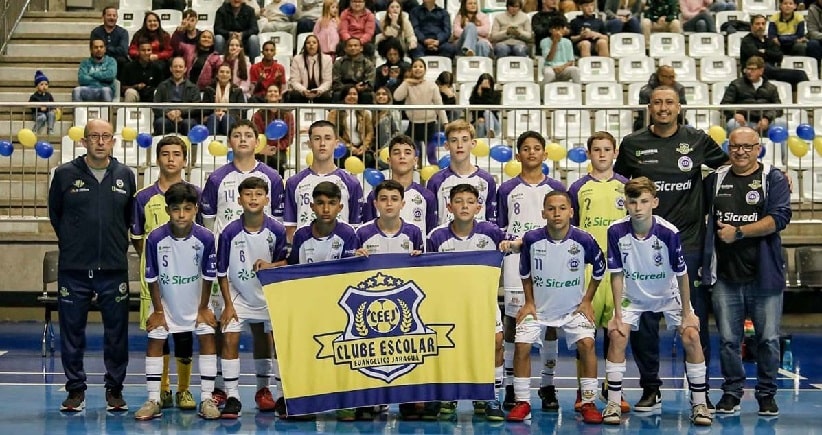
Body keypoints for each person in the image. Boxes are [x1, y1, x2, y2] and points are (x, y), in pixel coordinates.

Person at [614, 86, 728, 412]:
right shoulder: (633, 143)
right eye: (658, 103)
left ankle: (700, 395)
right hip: (642, 247)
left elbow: (730, 166)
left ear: (679, 107)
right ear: (649, 107)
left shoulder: (697, 140)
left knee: (692, 320)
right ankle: (651, 389)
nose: (663, 108)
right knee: (645, 322)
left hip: (687, 244)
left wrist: (772, 176)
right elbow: (616, 181)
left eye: (669, 103)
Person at [601, 177, 712, 427]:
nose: (638, 207)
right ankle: (613, 402)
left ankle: (700, 402)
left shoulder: (668, 232)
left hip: (668, 293)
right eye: (633, 202)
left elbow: (682, 273)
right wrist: (617, 314)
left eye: (643, 201)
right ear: (625, 204)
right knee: (618, 335)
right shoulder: (616, 231)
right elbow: (616, 274)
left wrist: (687, 312)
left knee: (691, 335)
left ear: (654, 202)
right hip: (633, 295)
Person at [48, 118, 137, 412]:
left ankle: (115, 389)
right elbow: (55, 215)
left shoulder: (125, 174)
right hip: (74, 270)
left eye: (106, 136)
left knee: (117, 333)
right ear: (83, 141)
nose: (100, 141)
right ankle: (75, 390)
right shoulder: (63, 175)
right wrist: (75, 244)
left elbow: (127, 218)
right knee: (72, 332)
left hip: (113, 269)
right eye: (94, 137)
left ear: (113, 141)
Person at [702, 127, 791, 417]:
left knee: (767, 339)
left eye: (747, 147)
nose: (741, 151)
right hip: (725, 276)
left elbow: (778, 218)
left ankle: (766, 395)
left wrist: (738, 232)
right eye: (735, 146)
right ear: (729, 148)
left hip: (764, 275)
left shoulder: (773, 178)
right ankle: (731, 394)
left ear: (758, 149)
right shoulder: (714, 180)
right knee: (729, 340)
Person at [506, 191, 604, 424]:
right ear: (543, 213)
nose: (557, 213)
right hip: (538, 308)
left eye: (562, 208)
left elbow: (600, 269)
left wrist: (587, 300)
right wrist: (529, 302)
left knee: (587, 344)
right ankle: (522, 402)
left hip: (573, 309)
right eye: (551, 208)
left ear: (571, 212)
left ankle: (588, 402)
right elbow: (525, 272)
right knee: (522, 345)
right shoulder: (531, 238)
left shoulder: (584, 239)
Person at [134, 182, 219, 421]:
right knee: (155, 339)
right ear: (168, 209)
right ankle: (153, 399)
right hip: (165, 302)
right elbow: (152, 277)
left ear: (195, 210)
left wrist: (203, 308)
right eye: (176, 209)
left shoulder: (206, 238)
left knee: (207, 336)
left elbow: (208, 276)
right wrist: (159, 310)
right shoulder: (155, 238)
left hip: (197, 302)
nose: (181, 215)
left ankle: (207, 398)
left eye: (187, 209)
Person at [496, 131, 566, 413]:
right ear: (518, 155)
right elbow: (501, 226)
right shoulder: (507, 189)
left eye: (537, 148)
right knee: (514, 322)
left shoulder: (557, 188)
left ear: (545, 155)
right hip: (516, 262)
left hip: (550, 260)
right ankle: (512, 385)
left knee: (550, 322)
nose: (532, 153)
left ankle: (547, 385)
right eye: (526, 149)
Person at [130, 136, 199, 412]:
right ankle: (163, 389)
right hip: (156, 281)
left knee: (184, 334)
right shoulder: (143, 197)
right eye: (165, 154)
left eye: (176, 154)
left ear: (185, 160)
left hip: (187, 279)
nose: (171, 159)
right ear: (157, 159)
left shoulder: (194, 194)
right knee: (158, 333)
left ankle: (183, 389)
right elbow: (138, 238)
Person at [216, 177, 289, 419]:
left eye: (258, 194)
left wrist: (271, 265)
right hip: (238, 295)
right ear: (239, 200)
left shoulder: (277, 230)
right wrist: (227, 304)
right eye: (248, 194)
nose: (253, 198)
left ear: (267, 199)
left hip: (269, 295)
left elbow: (284, 264)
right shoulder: (229, 232)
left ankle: (272, 393)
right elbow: (222, 271)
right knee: (230, 337)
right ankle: (232, 395)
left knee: (270, 341)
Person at [567, 131, 630, 412]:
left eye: (607, 149)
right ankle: (585, 391)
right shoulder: (578, 187)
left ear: (615, 153)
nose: (602, 154)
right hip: (588, 269)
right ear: (588, 153)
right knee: (586, 334)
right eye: (596, 149)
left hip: (618, 269)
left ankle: (613, 388)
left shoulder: (626, 187)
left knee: (616, 332)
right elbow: (573, 229)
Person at [283, 120, 363, 241]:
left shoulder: (351, 183)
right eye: (317, 138)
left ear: (336, 143)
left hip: (339, 256)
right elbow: (290, 226)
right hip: (305, 256)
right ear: (309, 144)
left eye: (328, 138)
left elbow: (355, 227)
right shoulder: (294, 183)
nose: (322, 143)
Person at [362, 135, 437, 234]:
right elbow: (367, 235)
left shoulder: (427, 197)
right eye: (396, 153)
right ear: (389, 160)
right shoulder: (374, 196)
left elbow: (430, 236)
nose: (402, 156)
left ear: (415, 160)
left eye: (407, 153)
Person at [427, 119, 497, 225]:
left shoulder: (487, 180)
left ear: (473, 143)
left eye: (464, 140)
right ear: (446, 145)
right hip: (445, 240)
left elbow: (492, 220)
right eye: (454, 140)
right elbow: (430, 221)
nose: (460, 145)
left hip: (479, 240)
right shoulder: (436, 181)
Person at [393, 59, 449, 166]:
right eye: (415, 66)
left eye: (420, 66)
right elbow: (397, 96)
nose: (418, 69)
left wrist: (445, 122)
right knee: (415, 152)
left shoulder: (432, 85)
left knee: (431, 152)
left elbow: (439, 104)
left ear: (425, 69)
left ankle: (434, 175)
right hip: (414, 123)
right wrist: (406, 82)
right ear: (411, 69)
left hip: (430, 123)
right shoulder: (408, 85)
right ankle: (417, 174)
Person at [356, 179, 424, 256]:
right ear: (376, 204)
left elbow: (422, 265)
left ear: (402, 204)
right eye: (383, 199)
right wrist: (355, 258)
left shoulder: (414, 232)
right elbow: (352, 265)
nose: (389, 203)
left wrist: (419, 258)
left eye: (394, 199)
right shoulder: (362, 233)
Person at [720, 55, 785, 136]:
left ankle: (780, 149)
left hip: (764, 124)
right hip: (744, 122)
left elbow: (778, 108)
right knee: (732, 123)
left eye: (753, 69)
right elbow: (725, 104)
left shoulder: (771, 88)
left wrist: (767, 118)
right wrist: (735, 114)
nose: (749, 72)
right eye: (748, 69)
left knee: (780, 124)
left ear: (761, 71)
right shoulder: (736, 85)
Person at [741, 14, 809, 90]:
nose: (760, 26)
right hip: (754, 71)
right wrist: (768, 54)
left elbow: (779, 56)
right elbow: (755, 55)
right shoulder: (747, 40)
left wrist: (764, 52)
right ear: (751, 26)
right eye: (757, 24)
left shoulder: (768, 40)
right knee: (799, 75)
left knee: (800, 74)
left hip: (770, 70)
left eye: (763, 24)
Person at [328, 85, 377, 168]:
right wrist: (349, 147)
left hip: (360, 147)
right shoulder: (334, 113)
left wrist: (364, 146)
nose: (352, 96)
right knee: (343, 156)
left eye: (355, 94)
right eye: (349, 94)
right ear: (344, 96)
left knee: (368, 158)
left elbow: (370, 132)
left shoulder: (364, 112)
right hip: (343, 147)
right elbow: (333, 133)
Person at [252, 84, 295, 175]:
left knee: (277, 161)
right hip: (262, 148)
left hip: (280, 149)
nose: (273, 93)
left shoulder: (288, 115)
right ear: (266, 95)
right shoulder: (258, 115)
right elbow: (256, 135)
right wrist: (264, 148)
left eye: (275, 91)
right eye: (270, 91)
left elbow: (289, 138)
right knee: (262, 161)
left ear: (279, 96)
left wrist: (276, 147)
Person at [153, 57, 202, 136]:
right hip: (167, 119)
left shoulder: (193, 87)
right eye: (175, 67)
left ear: (185, 69)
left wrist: (180, 112)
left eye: (180, 67)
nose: (178, 69)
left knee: (189, 123)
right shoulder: (162, 86)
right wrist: (168, 113)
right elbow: (155, 105)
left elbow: (196, 106)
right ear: (171, 69)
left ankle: (190, 148)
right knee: (160, 122)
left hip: (185, 118)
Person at [634, 65, 687, 131]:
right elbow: (644, 113)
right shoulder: (645, 91)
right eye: (670, 77)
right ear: (660, 77)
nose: (673, 80)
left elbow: (682, 110)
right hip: (651, 121)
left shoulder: (679, 89)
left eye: (673, 76)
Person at [285, 33, 334, 103]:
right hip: (302, 90)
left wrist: (319, 91)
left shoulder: (327, 59)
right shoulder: (297, 59)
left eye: (314, 42)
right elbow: (294, 81)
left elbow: (327, 81)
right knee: (295, 94)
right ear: (305, 46)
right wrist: (303, 90)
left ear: (318, 45)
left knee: (326, 96)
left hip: (319, 91)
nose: (311, 44)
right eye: (308, 43)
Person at [202, 64, 246, 136]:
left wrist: (225, 113)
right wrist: (215, 113)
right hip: (212, 117)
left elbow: (241, 110)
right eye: (221, 72)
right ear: (217, 75)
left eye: (227, 72)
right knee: (213, 117)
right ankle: (208, 145)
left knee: (226, 118)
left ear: (230, 76)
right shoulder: (209, 89)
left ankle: (231, 145)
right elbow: (205, 108)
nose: (224, 74)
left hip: (231, 118)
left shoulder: (237, 90)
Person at [332, 37, 376, 103]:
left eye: (355, 45)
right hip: (344, 90)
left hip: (361, 91)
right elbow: (336, 83)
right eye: (350, 46)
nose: (353, 48)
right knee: (336, 94)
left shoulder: (368, 63)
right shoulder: (339, 63)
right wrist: (352, 88)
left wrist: (363, 87)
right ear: (345, 49)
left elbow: (370, 83)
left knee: (367, 95)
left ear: (361, 48)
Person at [73, 38, 117, 102]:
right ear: (91, 50)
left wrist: (92, 74)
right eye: (96, 47)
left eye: (101, 47)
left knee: (105, 90)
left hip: (106, 90)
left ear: (105, 49)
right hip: (89, 90)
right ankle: (79, 112)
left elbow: (110, 76)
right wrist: (102, 78)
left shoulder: (111, 61)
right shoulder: (85, 63)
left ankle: (106, 112)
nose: (99, 49)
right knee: (76, 91)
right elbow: (82, 79)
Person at [90, 6, 129, 75]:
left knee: (123, 61)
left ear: (117, 17)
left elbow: (123, 51)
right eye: (109, 15)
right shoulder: (96, 32)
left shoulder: (123, 32)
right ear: (103, 17)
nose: (112, 17)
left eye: (114, 15)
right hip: (101, 60)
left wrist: (107, 48)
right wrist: (114, 50)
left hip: (119, 62)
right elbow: (94, 50)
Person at [541, 16, 580, 84]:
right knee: (549, 75)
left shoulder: (567, 42)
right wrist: (555, 42)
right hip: (549, 67)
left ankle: (579, 93)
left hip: (564, 68)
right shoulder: (544, 41)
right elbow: (549, 59)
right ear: (550, 30)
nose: (558, 32)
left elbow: (571, 61)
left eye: (561, 29)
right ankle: (541, 92)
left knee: (575, 70)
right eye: (556, 29)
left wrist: (562, 67)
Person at [468, 73, 501, 139]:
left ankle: (490, 131)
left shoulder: (497, 94)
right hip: (478, 121)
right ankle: (481, 142)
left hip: (494, 125)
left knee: (487, 112)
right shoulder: (475, 94)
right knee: (481, 124)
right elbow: (473, 108)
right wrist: (479, 94)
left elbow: (494, 108)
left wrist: (488, 91)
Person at [373, 87, 402, 152]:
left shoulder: (393, 112)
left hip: (388, 148)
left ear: (388, 97)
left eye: (384, 94)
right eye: (378, 94)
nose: (380, 96)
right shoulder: (373, 112)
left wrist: (384, 148)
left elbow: (396, 133)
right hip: (373, 148)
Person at [29, 70, 56, 135]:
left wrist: (53, 109)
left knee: (51, 114)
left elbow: (52, 103)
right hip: (37, 114)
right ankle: (35, 130)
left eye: (46, 84)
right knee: (43, 117)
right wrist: (39, 108)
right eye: (41, 84)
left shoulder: (48, 95)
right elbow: (31, 106)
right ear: (36, 86)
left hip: (47, 112)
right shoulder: (34, 96)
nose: (44, 86)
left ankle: (50, 129)